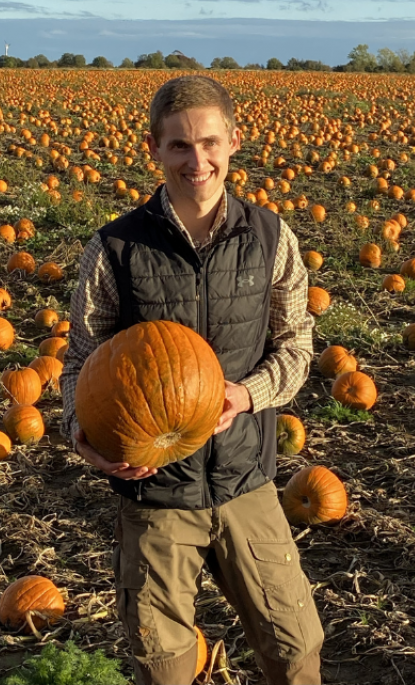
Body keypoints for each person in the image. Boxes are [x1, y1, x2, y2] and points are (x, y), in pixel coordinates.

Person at [60, 76, 323, 685]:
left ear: (233, 141)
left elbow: (296, 346)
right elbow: (79, 360)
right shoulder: (116, 248)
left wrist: (247, 394)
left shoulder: (269, 237)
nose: (196, 160)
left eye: (209, 142)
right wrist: (82, 432)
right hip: (154, 492)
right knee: (164, 665)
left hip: (244, 481)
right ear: (154, 147)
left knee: (295, 648)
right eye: (179, 145)